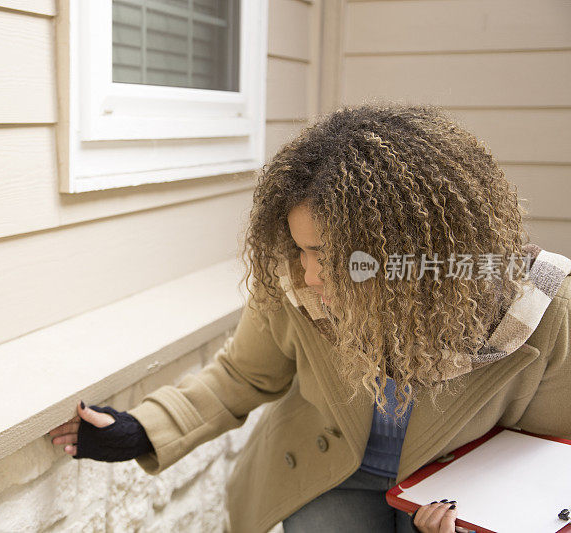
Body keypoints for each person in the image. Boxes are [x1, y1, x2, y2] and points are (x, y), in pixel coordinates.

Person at [49, 102, 571, 533]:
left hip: (450, 498)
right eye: (300, 249)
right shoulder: (296, 285)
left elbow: (545, 457)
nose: (308, 273)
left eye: (323, 252)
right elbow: (242, 374)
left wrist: (486, 521)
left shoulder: (540, 310)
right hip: (329, 475)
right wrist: (142, 429)